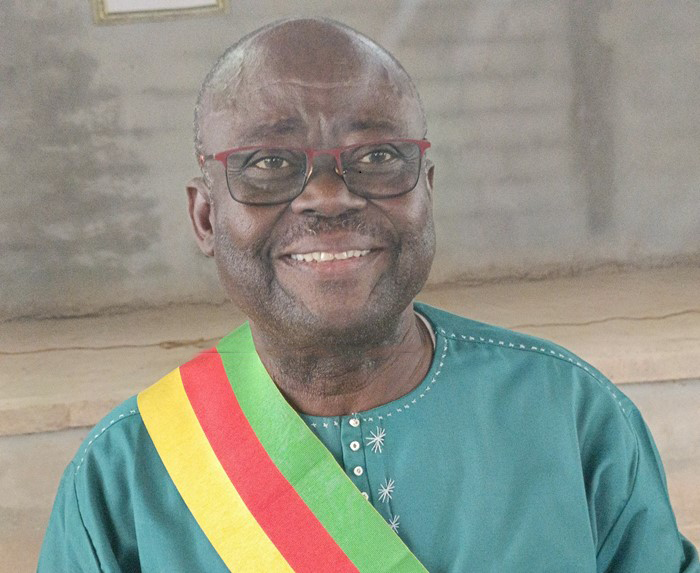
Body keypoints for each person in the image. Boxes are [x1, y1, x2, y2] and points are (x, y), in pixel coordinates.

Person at [38, 17, 698, 573]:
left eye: (378, 156)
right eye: (269, 162)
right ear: (206, 217)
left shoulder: (570, 416)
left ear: (426, 192)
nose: (329, 196)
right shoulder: (123, 478)